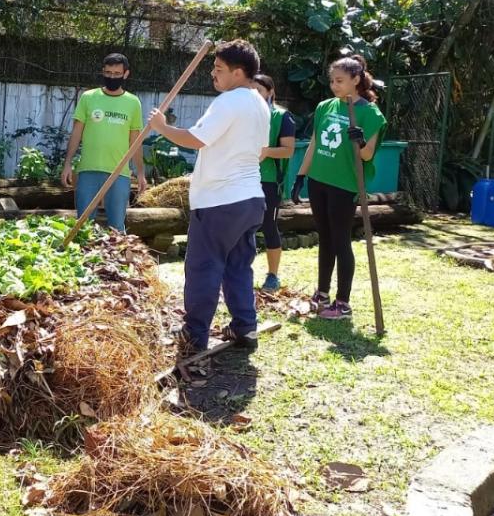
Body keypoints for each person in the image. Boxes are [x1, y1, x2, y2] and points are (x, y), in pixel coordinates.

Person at [147, 40, 270, 354]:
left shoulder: (229, 101)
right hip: (251, 199)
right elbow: (258, 153)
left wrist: (162, 127)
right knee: (238, 266)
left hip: (220, 202)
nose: (213, 75)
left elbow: (196, 139)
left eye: (219, 69)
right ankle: (245, 327)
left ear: (238, 72)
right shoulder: (259, 103)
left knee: (204, 267)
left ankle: (194, 334)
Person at [290, 55, 387, 321]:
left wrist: (362, 139)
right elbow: (313, 143)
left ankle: (342, 303)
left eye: (340, 81)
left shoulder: (369, 113)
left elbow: (367, 155)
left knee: (341, 240)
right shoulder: (325, 107)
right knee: (325, 238)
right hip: (319, 180)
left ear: (356, 80)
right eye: (332, 80)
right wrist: (301, 175)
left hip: (343, 184)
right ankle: (321, 293)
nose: (334, 85)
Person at [59, 53, 147, 233]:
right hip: (88, 170)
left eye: (116, 73)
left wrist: (140, 173)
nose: (112, 77)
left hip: (119, 173)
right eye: (108, 73)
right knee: (83, 227)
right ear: (103, 72)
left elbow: (135, 141)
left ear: (126, 74)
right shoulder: (89, 97)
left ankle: (117, 260)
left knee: (117, 228)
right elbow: (76, 133)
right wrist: (67, 164)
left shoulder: (133, 102)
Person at [252, 74, 296, 291]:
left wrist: (267, 152)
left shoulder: (282, 117)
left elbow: (289, 150)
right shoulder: (243, 115)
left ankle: (272, 275)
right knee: (241, 227)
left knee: (268, 226)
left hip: (269, 181)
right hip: (243, 178)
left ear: (270, 92)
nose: (254, 95)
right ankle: (238, 271)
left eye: (258, 90)